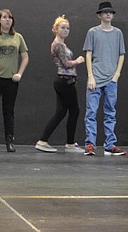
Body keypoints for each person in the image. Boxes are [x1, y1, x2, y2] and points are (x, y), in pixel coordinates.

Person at [83, 1, 127, 156]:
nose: (108, 14)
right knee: (91, 112)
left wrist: (116, 75)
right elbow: (88, 54)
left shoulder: (118, 33)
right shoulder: (92, 32)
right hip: (95, 77)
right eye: (105, 12)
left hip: (111, 80)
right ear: (99, 15)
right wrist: (90, 76)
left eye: (111, 12)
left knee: (110, 112)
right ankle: (90, 144)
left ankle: (110, 144)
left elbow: (121, 54)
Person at [35, 15, 86, 153]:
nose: (66, 30)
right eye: (63, 27)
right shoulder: (58, 44)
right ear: (56, 29)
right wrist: (79, 61)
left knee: (61, 112)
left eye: (68, 28)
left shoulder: (61, 44)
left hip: (64, 81)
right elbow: (66, 64)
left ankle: (42, 141)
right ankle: (70, 144)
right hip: (65, 81)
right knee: (74, 111)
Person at [0, 9, 29, 152]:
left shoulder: (18, 37)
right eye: (4, 17)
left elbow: (25, 57)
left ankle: (10, 141)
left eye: (10, 18)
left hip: (11, 80)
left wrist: (19, 73)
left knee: (9, 111)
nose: (8, 20)